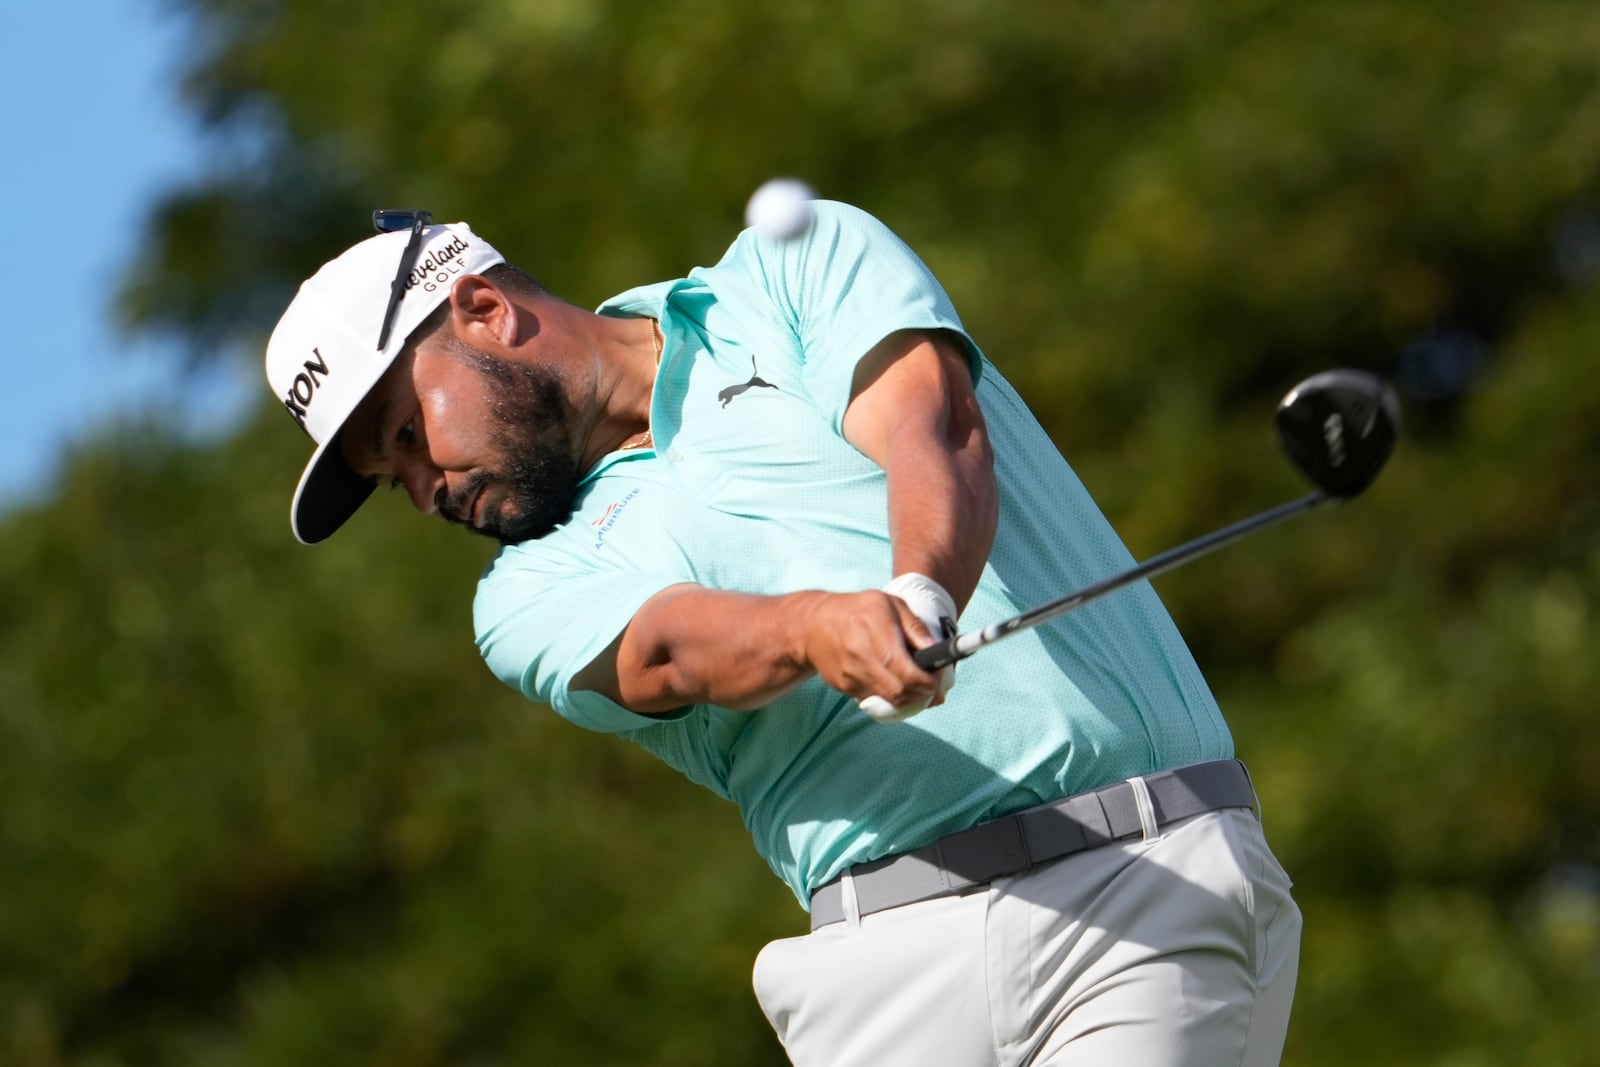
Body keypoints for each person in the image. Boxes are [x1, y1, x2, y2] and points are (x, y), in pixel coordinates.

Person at [265, 201, 1301, 1066]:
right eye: (389, 477)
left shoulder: (790, 264)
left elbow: (928, 426)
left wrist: (918, 591)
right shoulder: (521, 592)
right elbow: (666, 647)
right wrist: (814, 628)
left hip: (1136, 881)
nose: (421, 490)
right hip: (874, 972)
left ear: (484, 310)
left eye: (408, 436)